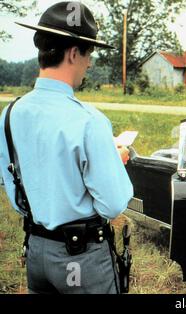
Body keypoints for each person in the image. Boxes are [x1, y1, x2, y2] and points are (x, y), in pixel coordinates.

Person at [0, 2, 133, 294]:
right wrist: (113, 158)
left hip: (37, 251)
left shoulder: (10, 114)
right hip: (81, 258)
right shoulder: (89, 121)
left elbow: (17, 196)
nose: (89, 64)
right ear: (74, 53)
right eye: (89, 55)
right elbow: (112, 204)